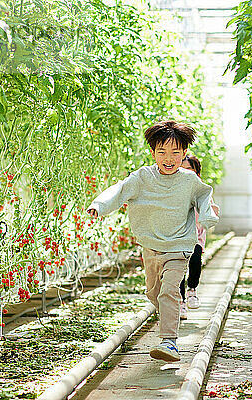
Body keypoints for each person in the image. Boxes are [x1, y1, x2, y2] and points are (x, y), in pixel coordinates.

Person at [86, 121, 219, 362]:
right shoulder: (142, 178)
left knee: (169, 291)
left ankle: (169, 342)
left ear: (184, 154)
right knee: (154, 293)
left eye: (176, 153)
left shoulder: (189, 181)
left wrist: (209, 215)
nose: (169, 158)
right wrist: (99, 205)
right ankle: (167, 315)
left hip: (179, 247)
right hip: (151, 246)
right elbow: (119, 190)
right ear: (153, 153)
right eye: (162, 152)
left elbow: (204, 196)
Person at [178, 155, 220, 320]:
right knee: (178, 268)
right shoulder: (174, 187)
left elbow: (210, 208)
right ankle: (181, 301)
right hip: (177, 236)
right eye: (183, 169)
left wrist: (211, 211)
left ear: (197, 172)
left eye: (190, 169)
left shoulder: (202, 189)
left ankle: (192, 290)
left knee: (195, 261)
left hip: (196, 235)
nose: (186, 172)